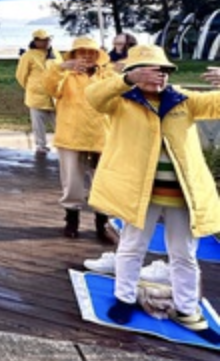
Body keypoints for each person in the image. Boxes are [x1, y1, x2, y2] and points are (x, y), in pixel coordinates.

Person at [87, 45, 220, 339]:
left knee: (184, 254)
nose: (156, 76)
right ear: (134, 72)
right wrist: (125, 80)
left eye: (162, 70)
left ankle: (187, 309)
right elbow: (93, 98)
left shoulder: (184, 100)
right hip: (140, 195)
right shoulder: (121, 101)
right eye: (147, 69)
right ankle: (124, 298)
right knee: (132, 247)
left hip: (183, 197)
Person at [43, 36, 113, 241]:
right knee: (72, 181)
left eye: (91, 52)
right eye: (81, 52)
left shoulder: (107, 75)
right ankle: (71, 220)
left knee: (103, 182)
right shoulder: (65, 76)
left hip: (102, 136)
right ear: (73, 55)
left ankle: (103, 223)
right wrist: (61, 68)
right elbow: (48, 87)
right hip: (71, 135)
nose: (87, 56)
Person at [15, 29, 62, 156]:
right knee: (38, 124)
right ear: (36, 41)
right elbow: (21, 75)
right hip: (36, 96)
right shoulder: (28, 56)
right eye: (43, 40)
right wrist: (32, 87)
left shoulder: (55, 54)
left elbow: (62, 70)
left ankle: (62, 145)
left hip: (54, 95)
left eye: (48, 39)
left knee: (60, 124)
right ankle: (41, 145)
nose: (46, 42)